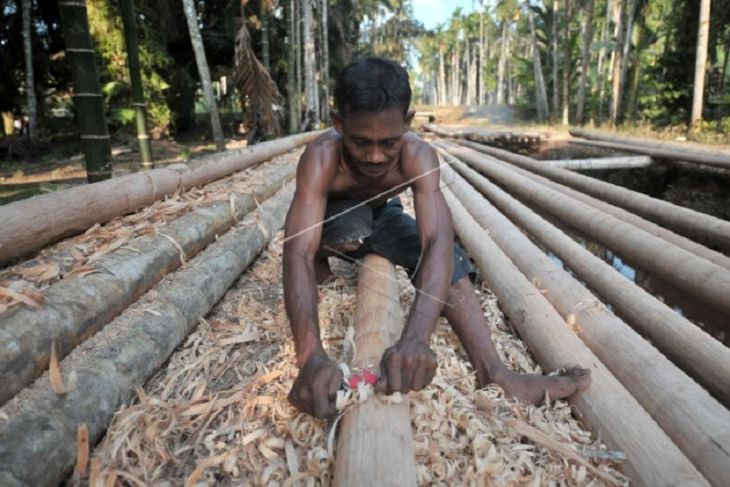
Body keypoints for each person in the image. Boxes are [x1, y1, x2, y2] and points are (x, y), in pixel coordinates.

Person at [282, 57, 591, 419]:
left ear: (408, 124)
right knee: (353, 227)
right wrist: (311, 356)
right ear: (338, 124)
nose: (376, 156)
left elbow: (437, 243)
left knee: (452, 258)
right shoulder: (320, 158)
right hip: (335, 216)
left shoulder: (419, 156)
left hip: (386, 212)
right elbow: (298, 251)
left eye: (389, 143)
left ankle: (495, 372)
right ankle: (335, 254)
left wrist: (416, 336)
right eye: (361, 142)